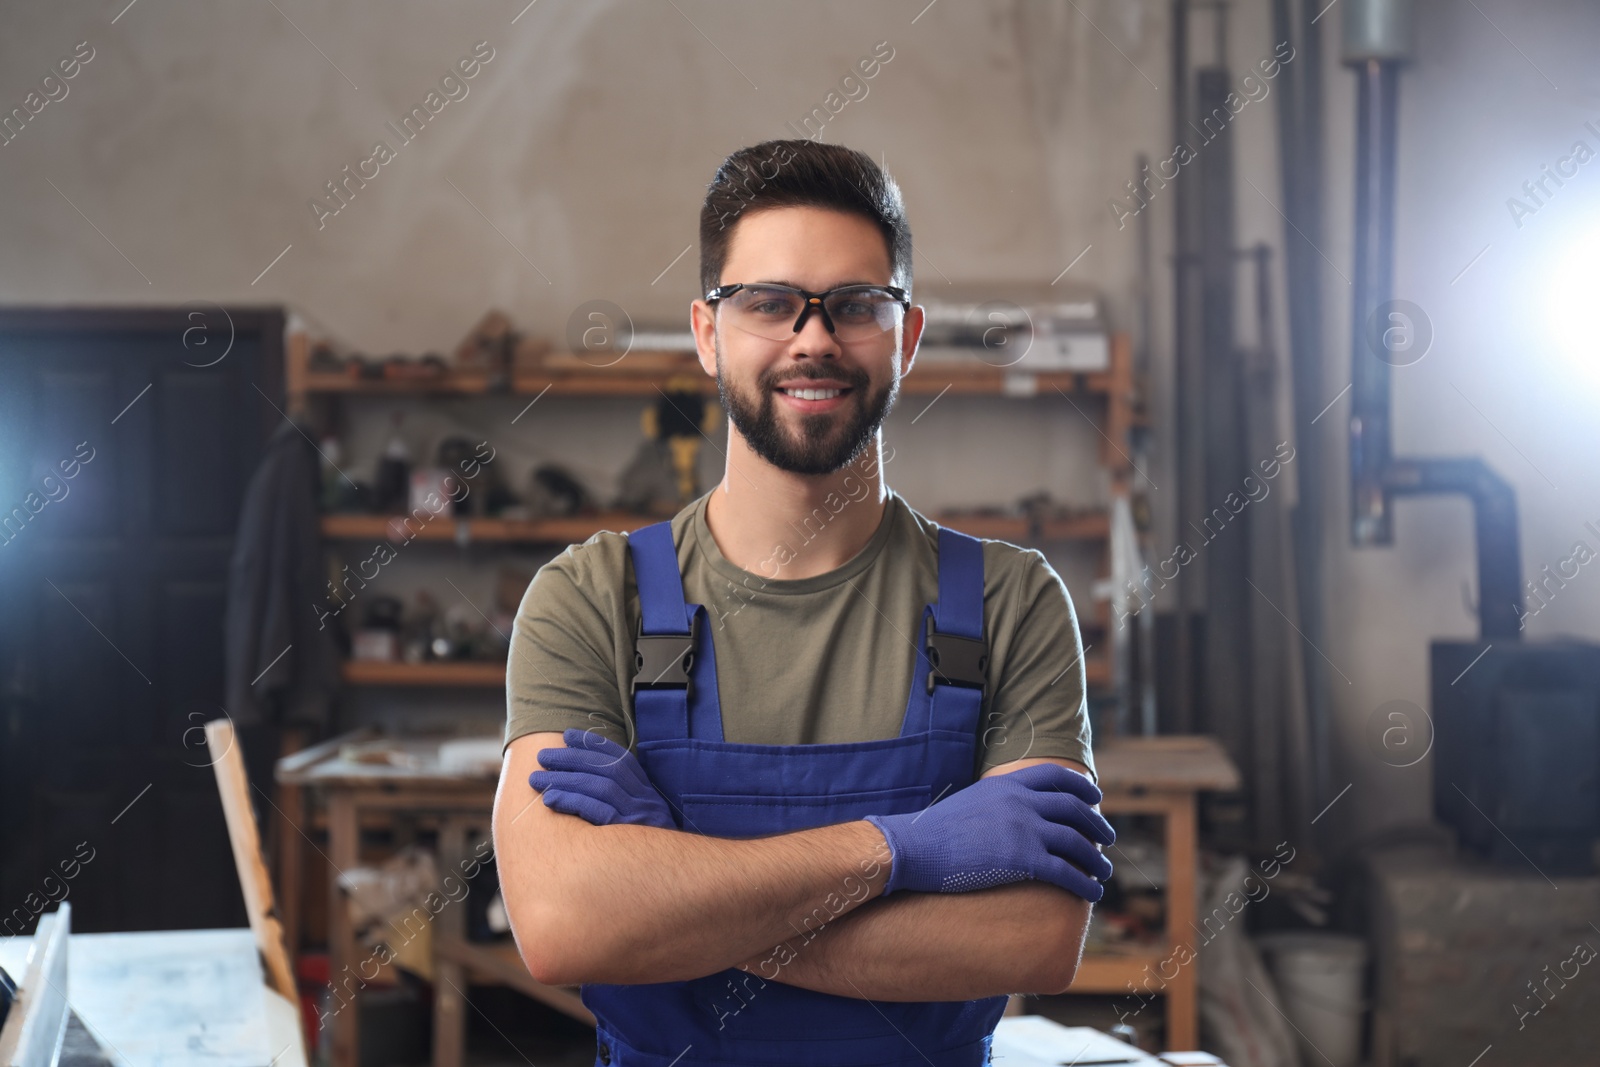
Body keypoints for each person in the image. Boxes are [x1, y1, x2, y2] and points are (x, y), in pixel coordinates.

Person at [492, 139, 1115, 1067]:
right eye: (768, 302)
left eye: (856, 305)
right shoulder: (590, 600)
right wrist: (904, 851)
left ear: (904, 336)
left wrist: (677, 895)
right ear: (708, 333)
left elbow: (1033, 937)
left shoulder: (1009, 602)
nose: (813, 337)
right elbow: (564, 926)